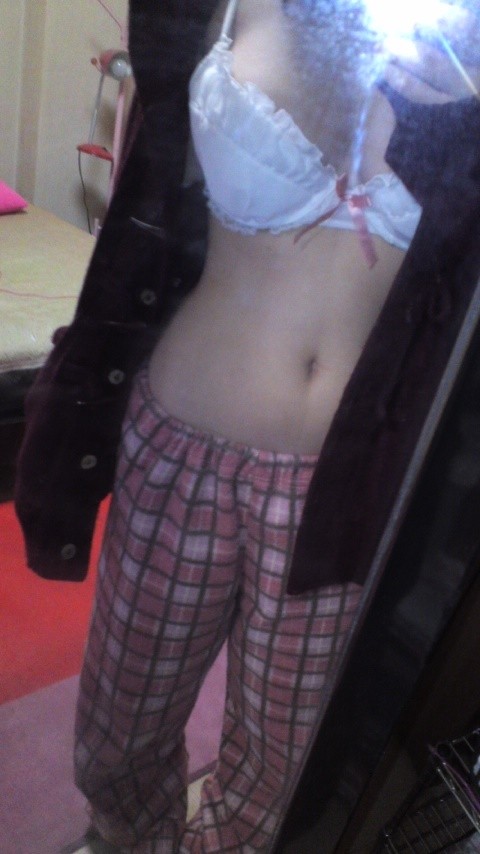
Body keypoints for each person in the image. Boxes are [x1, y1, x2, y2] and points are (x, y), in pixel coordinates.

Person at [14, 1, 480, 852]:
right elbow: (145, 212)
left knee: (288, 763)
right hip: (185, 436)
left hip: (354, 485)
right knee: (120, 732)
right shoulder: (212, 8)